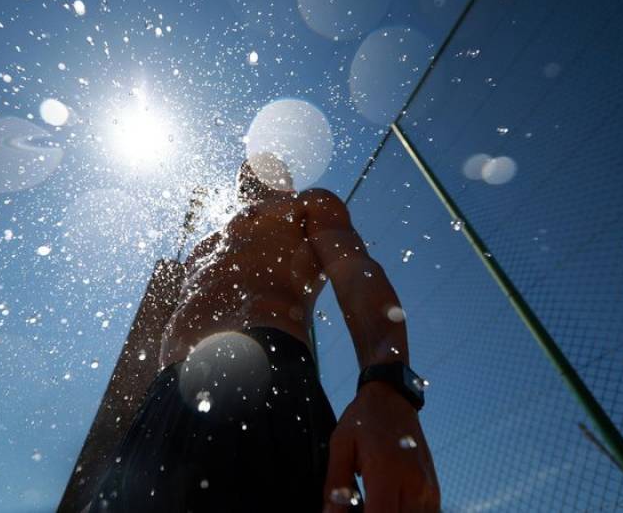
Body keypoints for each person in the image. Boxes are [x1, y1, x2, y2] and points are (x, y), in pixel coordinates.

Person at [90, 153, 440, 512]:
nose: (251, 171)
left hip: (266, 373)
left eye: (265, 164)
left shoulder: (307, 205)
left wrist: (387, 383)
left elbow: (355, 273)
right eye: (245, 171)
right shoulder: (203, 246)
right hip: (164, 397)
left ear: (286, 177)